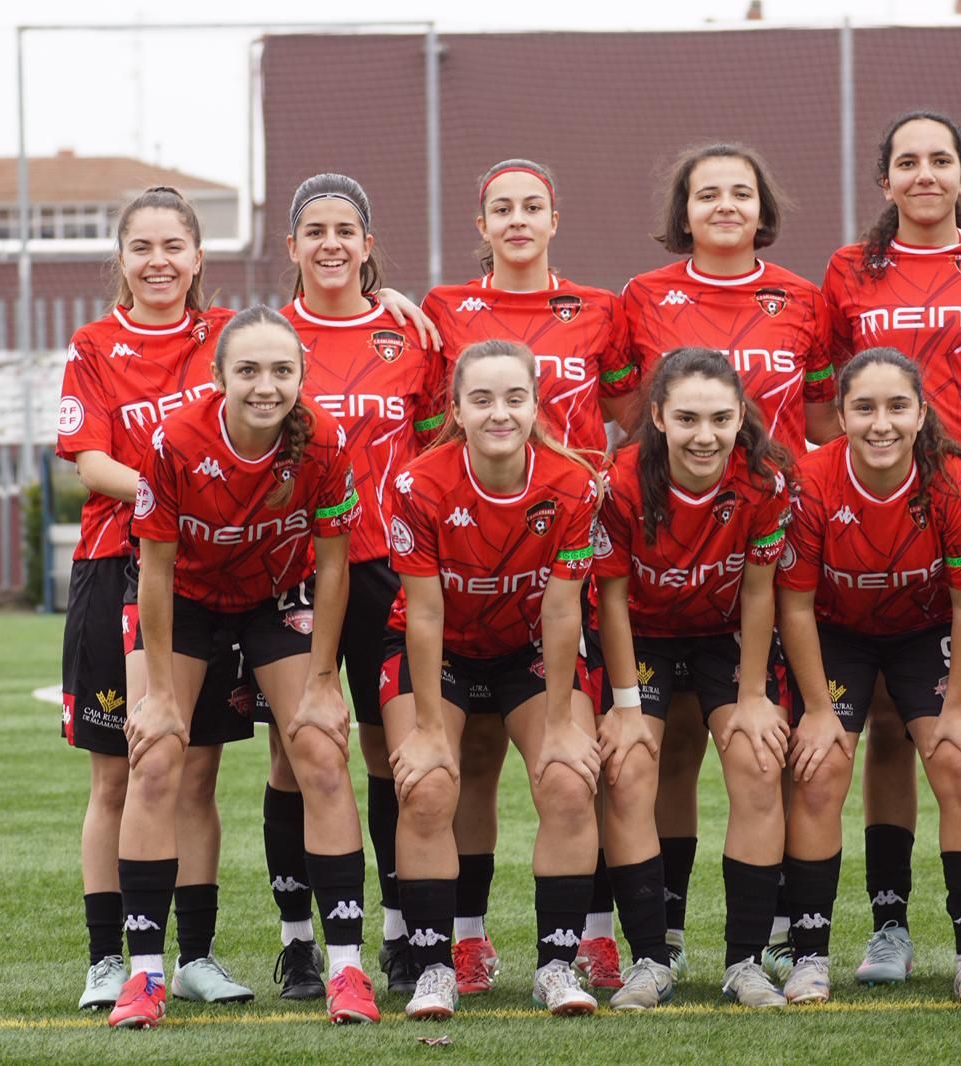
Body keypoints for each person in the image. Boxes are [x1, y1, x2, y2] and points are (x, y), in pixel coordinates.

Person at [109, 305, 377, 1028]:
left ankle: (347, 970)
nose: (266, 385)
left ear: (301, 375)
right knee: (156, 756)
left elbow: (333, 568)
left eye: (282, 370)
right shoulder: (175, 440)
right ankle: (144, 975)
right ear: (219, 376)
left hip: (274, 597)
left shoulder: (324, 440)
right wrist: (161, 695)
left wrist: (323, 683)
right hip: (184, 598)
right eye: (249, 370)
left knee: (321, 753)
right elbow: (154, 570)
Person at [821, 110, 961, 983]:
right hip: (882, 515)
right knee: (885, 726)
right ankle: (890, 929)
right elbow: (831, 391)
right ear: (885, 181)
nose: (924, 175)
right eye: (906, 162)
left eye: (940, 160)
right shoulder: (848, 269)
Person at [418, 159, 637, 994]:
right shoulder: (443, 307)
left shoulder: (600, 309)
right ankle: (464, 941)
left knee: (581, 761)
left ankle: (591, 939)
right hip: (469, 542)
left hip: (568, 540)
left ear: (554, 218)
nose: (518, 219)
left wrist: (589, 480)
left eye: (532, 206)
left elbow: (627, 415)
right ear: (481, 225)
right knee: (467, 763)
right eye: (502, 208)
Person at [619, 144, 836, 977]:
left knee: (764, 748)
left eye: (740, 192)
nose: (723, 205)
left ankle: (769, 937)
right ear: (683, 210)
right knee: (664, 753)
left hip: (762, 541)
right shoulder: (643, 295)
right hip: (665, 543)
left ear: (762, 206)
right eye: (706, 193)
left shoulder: (804, 298)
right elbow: (619, 411)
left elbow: (822, 419)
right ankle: (662, 940)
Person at [53, 186, 255, 1013]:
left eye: (174, 246)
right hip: (117, 566)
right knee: (120, 775)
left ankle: (197, 955)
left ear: (199, 256)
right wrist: (174, 491)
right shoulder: (94, 344)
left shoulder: (229, 334)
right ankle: (110, 959)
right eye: (142, 247)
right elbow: (91, 463)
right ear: (122, 259)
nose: (159, 261)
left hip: (212, 578)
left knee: (197, 774)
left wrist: (393, 299)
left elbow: (315, 335)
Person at [261, 173, 445, 1001]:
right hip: (291, 571)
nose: (330, 244)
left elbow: (437, 452)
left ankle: (401, 934)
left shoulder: (411, 336)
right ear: (292, 246)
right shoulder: (265, 337)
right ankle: (300, 943)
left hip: (387, 570)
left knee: (387, 752)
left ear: (368, 245)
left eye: (346, 230)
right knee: (297, 753)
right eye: (315, 231)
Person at [382, 339, 603, 1021]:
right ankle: (434, 969)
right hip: (440, 646)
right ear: (456, 409)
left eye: (514, 398)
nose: (499, 413)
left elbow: (562, 609)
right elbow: (424, 612)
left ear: (536, 406)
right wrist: (426, 730)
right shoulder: (418, 484)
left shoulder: (573, 484)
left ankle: (556, 966)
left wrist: (561, 724)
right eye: (481, 399)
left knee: (568, 780)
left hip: (526, 646)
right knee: (427, 784)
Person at [776, 348, 961, 1005]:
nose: (882, 424)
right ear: (840, 415)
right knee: (819, 769)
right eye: (865, 408)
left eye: (897, 407)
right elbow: (794, 605)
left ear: (921, 413)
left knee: (960, 763)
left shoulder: (954, 484)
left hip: (925, 632)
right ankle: (813, 955)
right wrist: (818, 710)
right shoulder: (810, 482)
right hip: (837, 632)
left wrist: (956, 707)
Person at [592, 347, 795, 1009]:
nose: (704, 435)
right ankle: (651, 960)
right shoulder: (621, 481)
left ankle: (745, 962)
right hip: (642, 633)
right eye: (686, 418)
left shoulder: (763, 481)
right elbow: (611, 598)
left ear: (740, 417)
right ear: (657, 416)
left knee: (759, 761)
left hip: (723, 633)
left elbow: (761, 592)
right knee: (629, 767)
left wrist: (754, 696)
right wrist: (626, 705)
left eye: (719, 419)